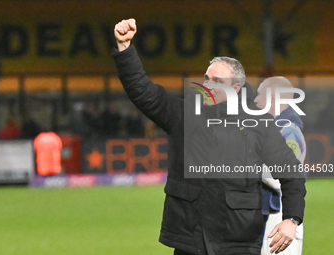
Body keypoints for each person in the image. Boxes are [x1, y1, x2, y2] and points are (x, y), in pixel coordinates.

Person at [112, 18, 306, 255]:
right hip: (189, 237)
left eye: (217, 81)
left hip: (238, 239)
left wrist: (292, 219)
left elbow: (291, 172)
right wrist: (124, 48)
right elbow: (142, 90)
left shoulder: (260, 122)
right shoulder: (183, 114)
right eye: (206, 78)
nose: (207, 85)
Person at [254, 77, 306, 255]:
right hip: (272, 212)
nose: (255, 100)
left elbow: (281, 177)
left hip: (282, 215)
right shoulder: (276, 126)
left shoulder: (289, 129)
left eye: (259, 94)